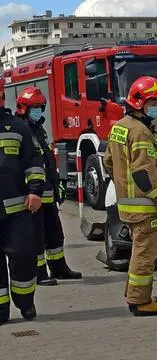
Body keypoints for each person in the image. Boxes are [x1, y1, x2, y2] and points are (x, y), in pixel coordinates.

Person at [103, 76, 157, 316]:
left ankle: (135, 295)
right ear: (141, 102)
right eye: (154, 102)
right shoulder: (141, 132)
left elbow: (108, 162)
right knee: (145, 255)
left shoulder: (119, 126)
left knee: (137, 252)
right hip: (144, 207)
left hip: (127, 206)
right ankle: (141, 302)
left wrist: (123, 186)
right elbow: (144, 174)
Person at [15, 86, 82, 286]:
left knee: (55, 232)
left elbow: (46, 159)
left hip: (47, 190)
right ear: (23, 108)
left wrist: (56, 183)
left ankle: (59, 267)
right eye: (34, 107)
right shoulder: (22, 129)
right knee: (37, 236)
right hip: (32, 194)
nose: (38, 111)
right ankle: (40, 272)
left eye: (40, 107)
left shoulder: (38, 129)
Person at [0, 77, 45, 323]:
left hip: (17, 210)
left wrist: (35, 191)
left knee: (24, 257)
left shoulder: (18, 127)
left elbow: (34, 162)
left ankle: (26, 302)